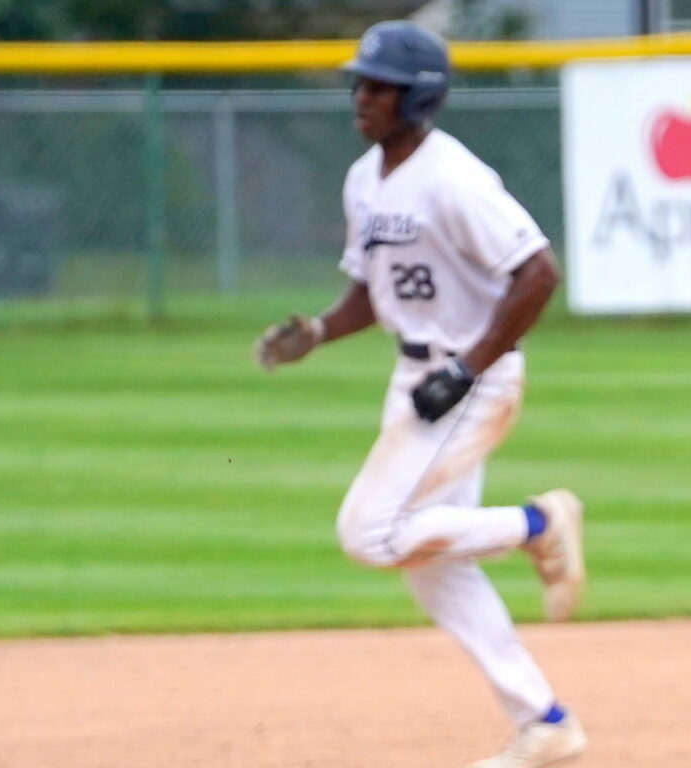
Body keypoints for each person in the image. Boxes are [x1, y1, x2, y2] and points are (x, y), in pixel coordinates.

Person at [252, 21, 587, 768]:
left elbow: (538, 272)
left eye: (379, 85)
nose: (361, 96)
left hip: (472, 378)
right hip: (416, 378)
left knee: (367, 533)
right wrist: (315, 329)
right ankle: (546, 721)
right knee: (432, 565)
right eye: (360, 82)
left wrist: (468, 367)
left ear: (420, 95)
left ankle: (538, 523)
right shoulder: (364, 178)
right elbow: (370, 294)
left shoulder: (453, 177)